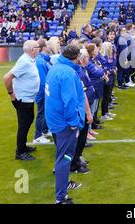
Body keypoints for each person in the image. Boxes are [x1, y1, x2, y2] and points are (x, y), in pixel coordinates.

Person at [45, 45, 86, 204]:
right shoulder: (67, 73)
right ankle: (60, 198)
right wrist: (74, 123)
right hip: (64, 124)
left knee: (62, 157)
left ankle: (64, 184)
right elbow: (69, 102)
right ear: (76, 57)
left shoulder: (57, 67)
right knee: (64, 158)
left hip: (56, 120)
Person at [3, 40, 40, 161]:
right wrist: (11, 94)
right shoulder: (24, 61)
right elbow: (7, 77)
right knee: (23, 125)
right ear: (31, 49)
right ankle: (20, 152)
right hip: (22, 99)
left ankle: (23, 146)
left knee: (28, 121)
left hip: (28, 99)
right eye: (37, 47)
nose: (39, 48)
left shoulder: (29, 60)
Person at [33, 39, 52, 144]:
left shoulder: (42, 60)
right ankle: (37, 136)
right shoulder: (40, 61)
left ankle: (44, 131)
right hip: (42, 92)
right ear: (43, 48)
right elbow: (42, 81)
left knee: (44, 113)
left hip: (43, 91)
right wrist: (47, 92)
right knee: (41, 113)